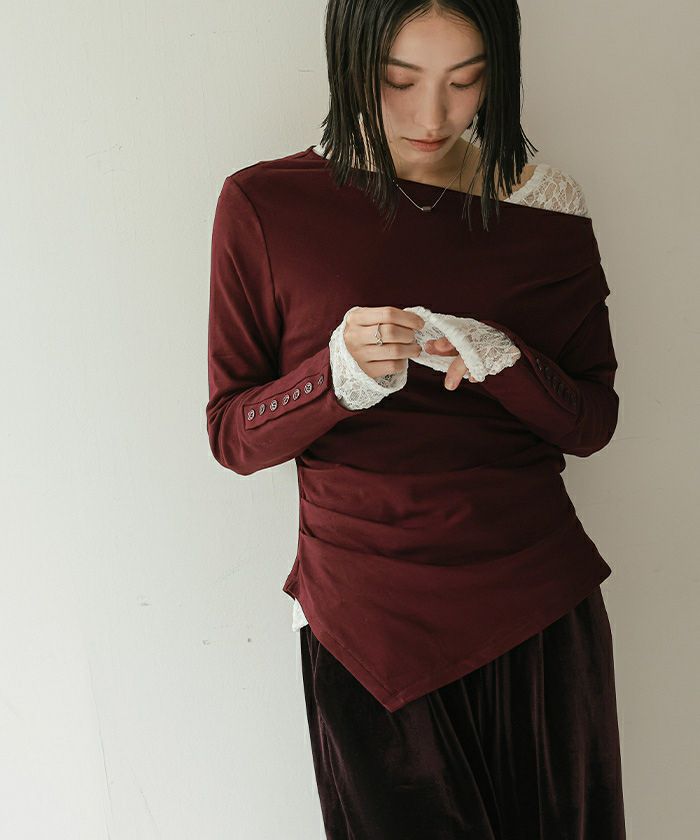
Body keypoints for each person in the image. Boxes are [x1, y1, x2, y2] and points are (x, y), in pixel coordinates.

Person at [206, 1, 627, 837]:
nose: (432, 116)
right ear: (348, 61)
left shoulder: (545, 206)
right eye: (398, 80)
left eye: (466, 81)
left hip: (538, 609)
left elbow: (591, 422)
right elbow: (232, 435)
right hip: (367, 627)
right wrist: (334, 378)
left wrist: (507, 360)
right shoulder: (266, 204)